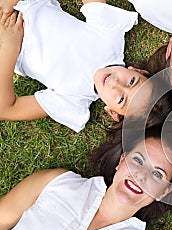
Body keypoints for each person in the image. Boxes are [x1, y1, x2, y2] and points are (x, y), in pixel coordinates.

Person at [0, 124, 172, 230]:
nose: (140, 176)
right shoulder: (56, 183)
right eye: (138, 160)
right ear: (122, 160)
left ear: (165, 191)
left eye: (156, 174)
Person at [0, 0, 158, 132]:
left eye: (121, 99)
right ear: (137, 71)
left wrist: (8, 49)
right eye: (132, 82)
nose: (116, 84)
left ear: (112, 112)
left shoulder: (74, 101)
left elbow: (6, 108)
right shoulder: (111, 38)